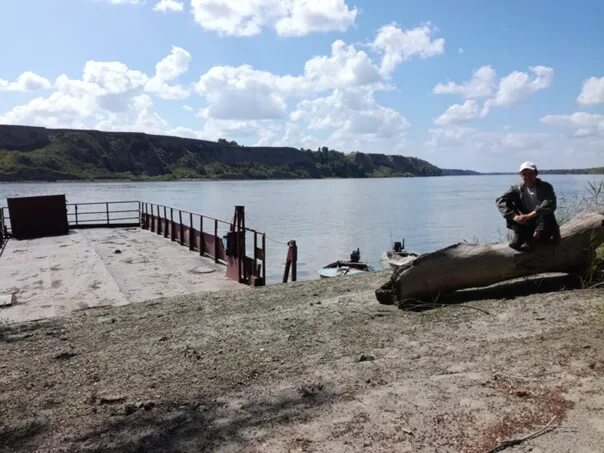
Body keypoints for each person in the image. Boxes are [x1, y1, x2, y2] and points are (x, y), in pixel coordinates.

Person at [496, 161, 560, 252]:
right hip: (528, 222)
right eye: (524, 174)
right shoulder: (517, 188)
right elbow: (500, 200)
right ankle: (520, 235)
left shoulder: (546, 187)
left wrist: (531, 219)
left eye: (530, 174)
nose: (527, 177)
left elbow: (549, 204)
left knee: (546, 211)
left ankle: (531, 241)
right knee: (508, 206)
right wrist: (515, 217)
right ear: (521, 175)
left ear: (536, 173)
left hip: (544, 223)